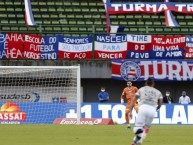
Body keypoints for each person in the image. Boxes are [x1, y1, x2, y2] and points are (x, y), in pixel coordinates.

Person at [129, 78, 163, 145]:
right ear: (153, 84)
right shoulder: (158, 92)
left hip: (143, 108)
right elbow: (160, 103)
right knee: (146, 127)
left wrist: (130, 111)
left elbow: (133, 100)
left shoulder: (141, 89)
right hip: (152, 110)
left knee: (137, 128)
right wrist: (157, 108)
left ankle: (139, 135)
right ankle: (138, 141)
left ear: (145, 83)